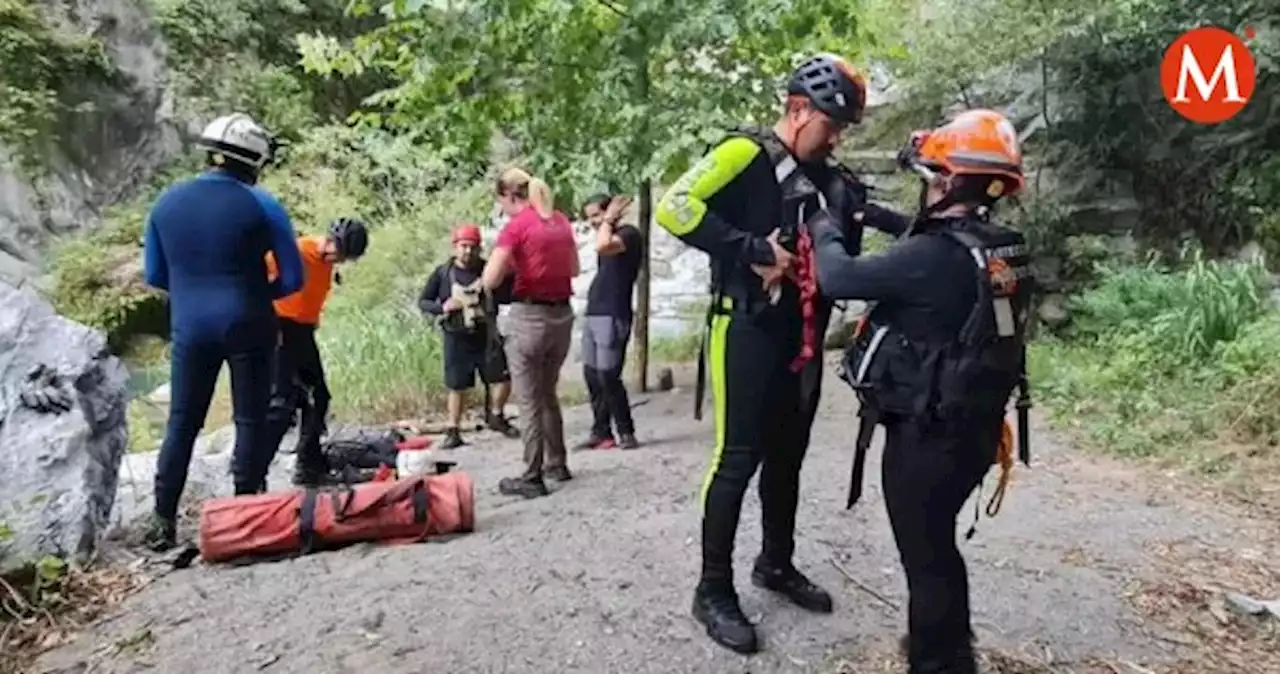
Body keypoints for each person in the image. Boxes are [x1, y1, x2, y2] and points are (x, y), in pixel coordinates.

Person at [654, 53, 911, 654]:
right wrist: (750, 249)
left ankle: (775, 562)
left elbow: (864, 222)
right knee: (738, 458)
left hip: (803, 339)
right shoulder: (747, 156)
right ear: (798, 110)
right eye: (832, 122)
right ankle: (712, 589)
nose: (838, 135)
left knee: (788, 457)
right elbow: (676, 206)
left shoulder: (830, 177)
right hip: (743, 329)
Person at [813, 109, 1036, 674]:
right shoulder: (1000, 247)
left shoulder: (927, 260)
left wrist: (823, 225)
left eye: (933, 176)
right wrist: (871, 213)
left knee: (927, 557)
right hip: (975, 429)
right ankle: (950, 651)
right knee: (939, 547)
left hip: (927, 438)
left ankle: (940, 665)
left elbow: (838, 277)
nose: (927, 185)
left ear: (950, 182)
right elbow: (932, 245)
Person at [142, 112, 304, 551]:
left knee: (181, 423)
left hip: (190, 326)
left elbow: (155, 273)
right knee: (249, 418)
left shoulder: (166, 202)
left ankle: (162, 523)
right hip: (248, 321)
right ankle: (246, 513)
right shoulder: (263, 205)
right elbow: (293, 279)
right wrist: (255, 289)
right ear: (254, 161)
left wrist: (195, 288)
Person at [481, 167, 579, 498]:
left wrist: (511, 265)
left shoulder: (517, 226)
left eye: (502, 202)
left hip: (529, 316)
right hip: (562, 315)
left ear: (509, 196)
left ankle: (532, 474)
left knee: (529, 398)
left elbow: (490, 279)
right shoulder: (561, 222)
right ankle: (558, 463)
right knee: (548, 391)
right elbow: (575, 268)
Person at [259, 217, 370, 489]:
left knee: (319, 396)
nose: (338, 259)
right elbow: (257, 278)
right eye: (338, 251)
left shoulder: (328, 264)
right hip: (279, 327)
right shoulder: (296, 250)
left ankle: (309, 468)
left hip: (303, 331)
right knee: (281, 403)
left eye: (344, 257)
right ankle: (254, 473)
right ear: (329, 238)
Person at [419, 223, 520, 448]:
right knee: (457, 385)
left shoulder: (489, 270)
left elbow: (507, 295)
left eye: (473, 247)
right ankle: (453, 430)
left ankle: (496, 416)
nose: (468, 251)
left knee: (501, 378)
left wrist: (511, 274)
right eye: (464, 246)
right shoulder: (443, 273)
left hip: (486, 334)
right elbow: (424, 301)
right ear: (455, 246)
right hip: (456, 336)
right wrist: (443, 307)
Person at [576, 193, 644, 450]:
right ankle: (601, 431)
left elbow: (603, 245)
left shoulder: (628, 235)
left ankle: (626, 431)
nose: (593, 222)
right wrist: (605, 221)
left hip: (614, 311)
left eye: (596, 215)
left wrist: (609, 219)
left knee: (608, 375)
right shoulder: (605, 233)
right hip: (595, 310)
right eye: (590, 217)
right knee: (591, 374)